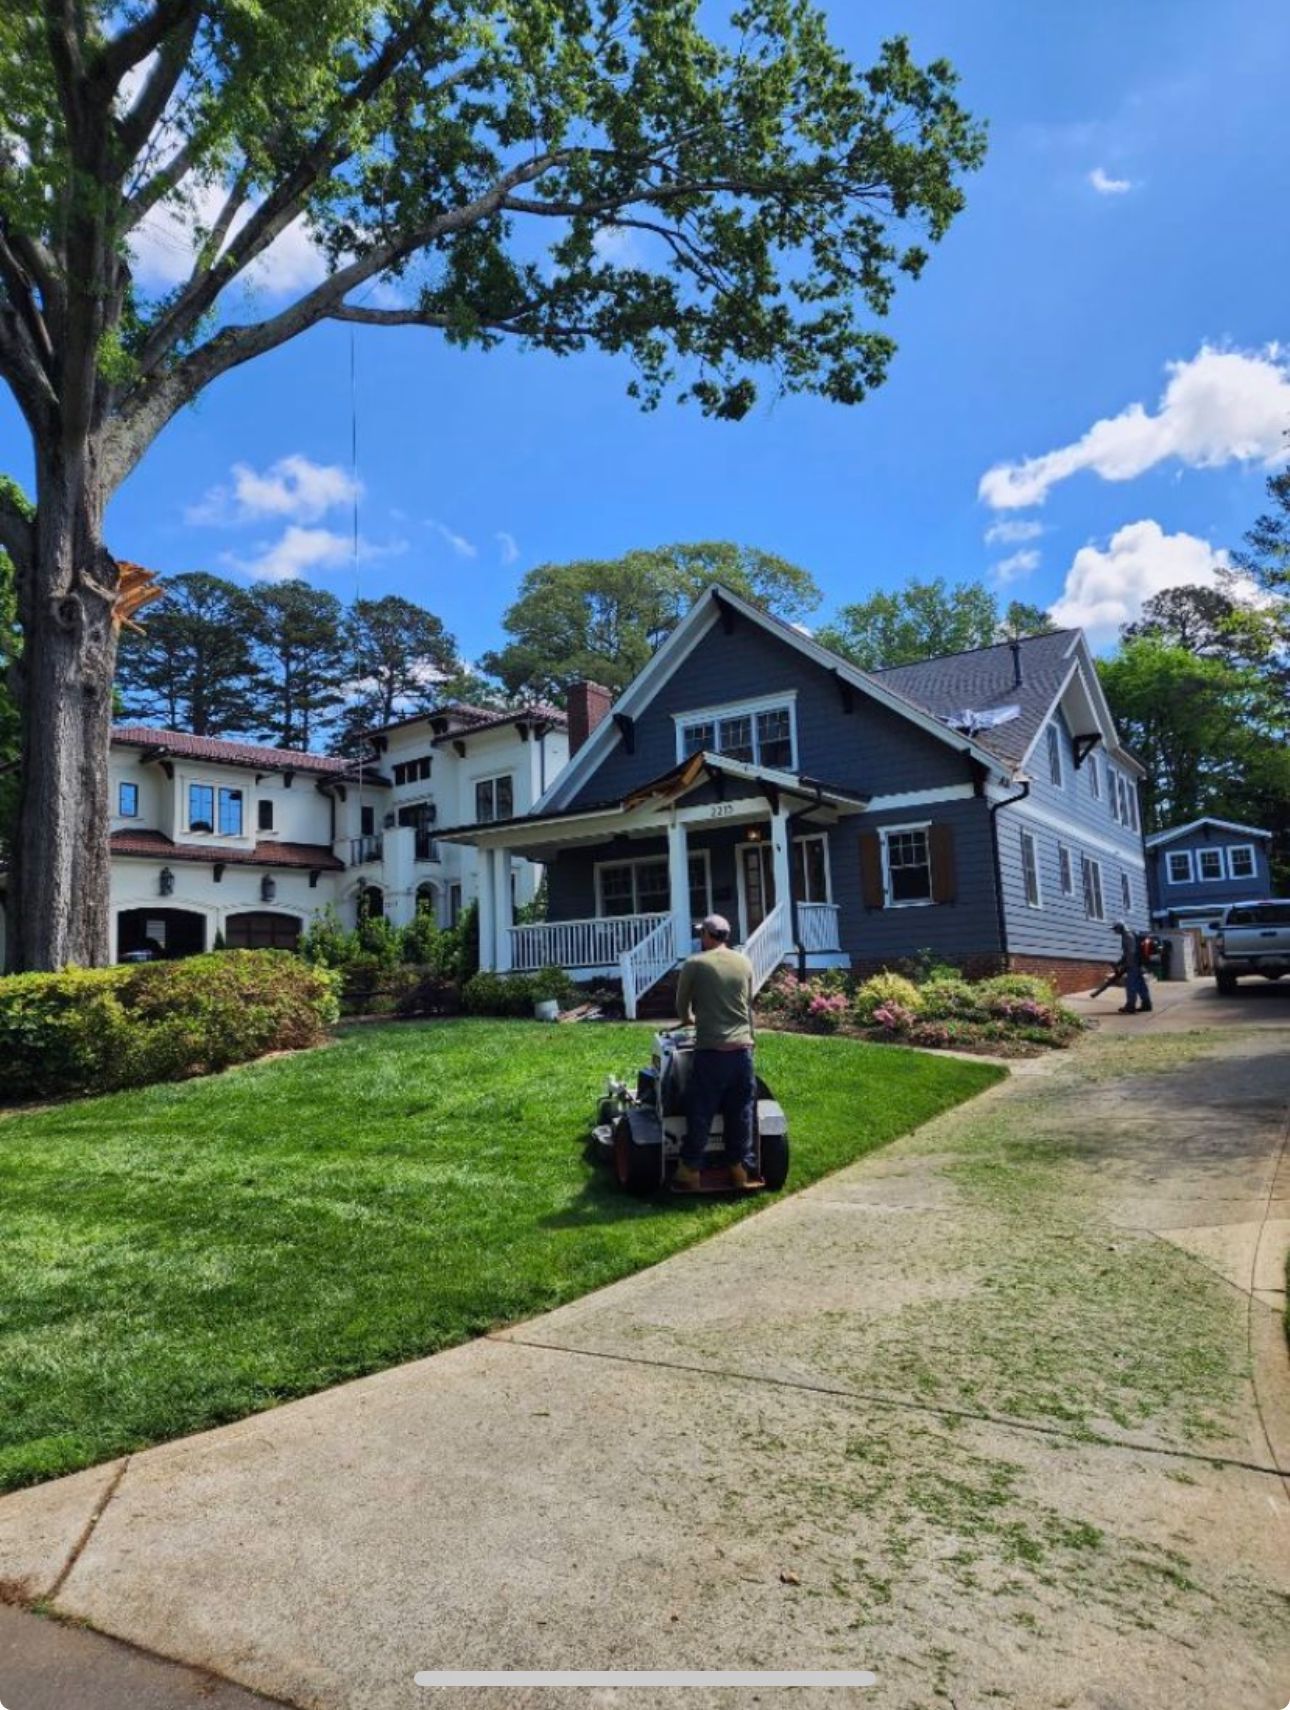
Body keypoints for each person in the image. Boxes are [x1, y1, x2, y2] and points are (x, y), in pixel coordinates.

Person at [673, 913, 760, 1191]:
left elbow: (681, 1006)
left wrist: (689, 1020)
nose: (701, 938)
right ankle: (738, 1169)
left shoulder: (695, 963)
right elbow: (747, 1003)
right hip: (743, 1050)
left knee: (701, 1110)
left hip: (712, 1050)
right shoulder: (744, 961)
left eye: (702, 934)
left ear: (709, 936)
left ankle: (690, 1171)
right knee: (741, 1111)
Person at [1112, 920, 1152, 1014]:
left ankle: (1130, 1006)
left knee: (1131, 985)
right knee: (1140, 984)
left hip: (1133, 964)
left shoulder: (1127, 936)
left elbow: (1131, 952)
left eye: (1115, 929)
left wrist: (1127, 965)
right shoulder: (1129, 935)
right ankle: (1146, 1004)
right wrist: (1120, 962)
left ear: (1120, 928)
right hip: (1136, 963)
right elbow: (1127, 953)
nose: (1114, 931)